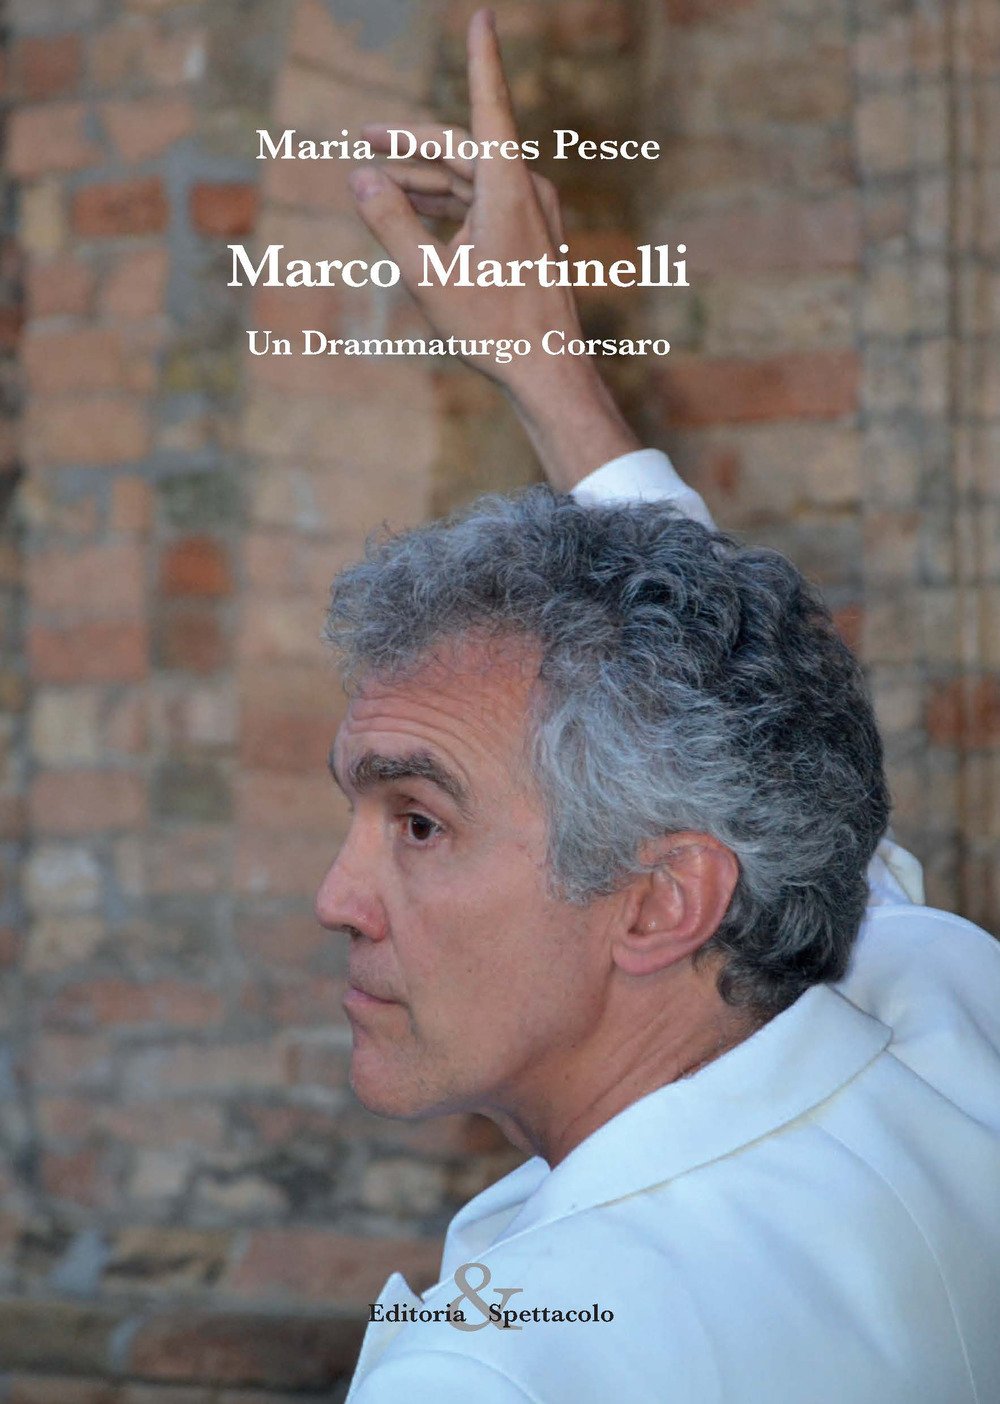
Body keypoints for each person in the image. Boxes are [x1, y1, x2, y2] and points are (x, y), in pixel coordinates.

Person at [314, 12, 1000, 1401]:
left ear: (664, 902)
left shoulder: (498, 1373)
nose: (338, 898)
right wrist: (546, 366)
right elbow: (774, 774)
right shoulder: (944, 1016)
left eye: (421, 824)